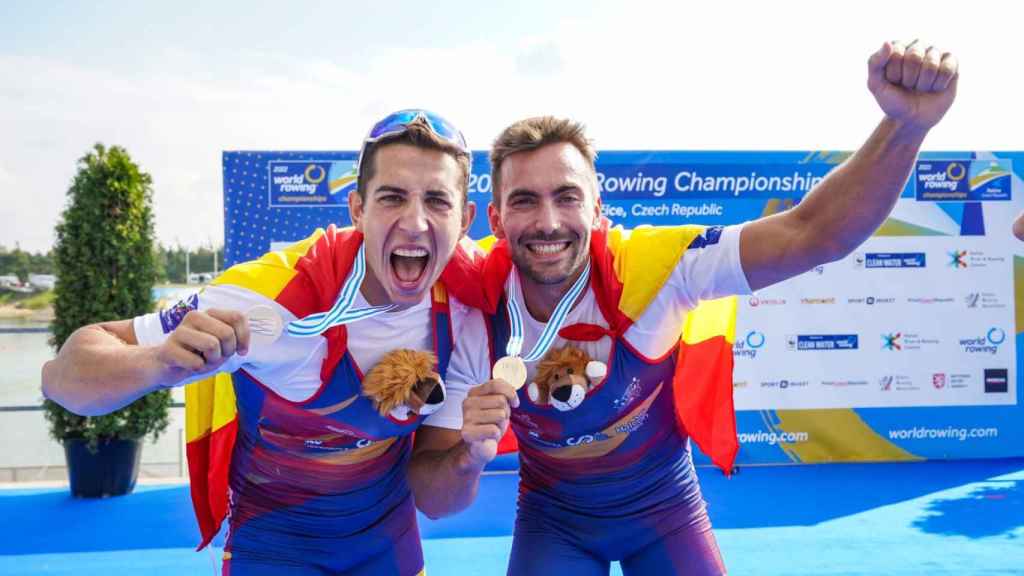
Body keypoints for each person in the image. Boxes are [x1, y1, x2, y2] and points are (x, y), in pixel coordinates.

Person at [444, 40, 960, 575]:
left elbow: (815, 233)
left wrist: (906, 127)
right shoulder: (470, 294)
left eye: (567, 196)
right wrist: (466, 458)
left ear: (598, 210)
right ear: (496, 221)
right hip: (553, 524)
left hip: (666, 515)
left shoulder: (657, 269)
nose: (548, 221)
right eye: (524, 200)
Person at [41, 110, 517, 576]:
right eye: (392, 197)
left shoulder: (466, 310)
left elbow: (436, 500)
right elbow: (61, 377)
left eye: (437, 200)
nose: (415, 223)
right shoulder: (268, 298)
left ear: (464, 218)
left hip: (387, 547)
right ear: (357, 209)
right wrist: (158, 363)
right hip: (272, 549)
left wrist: (469, 459)